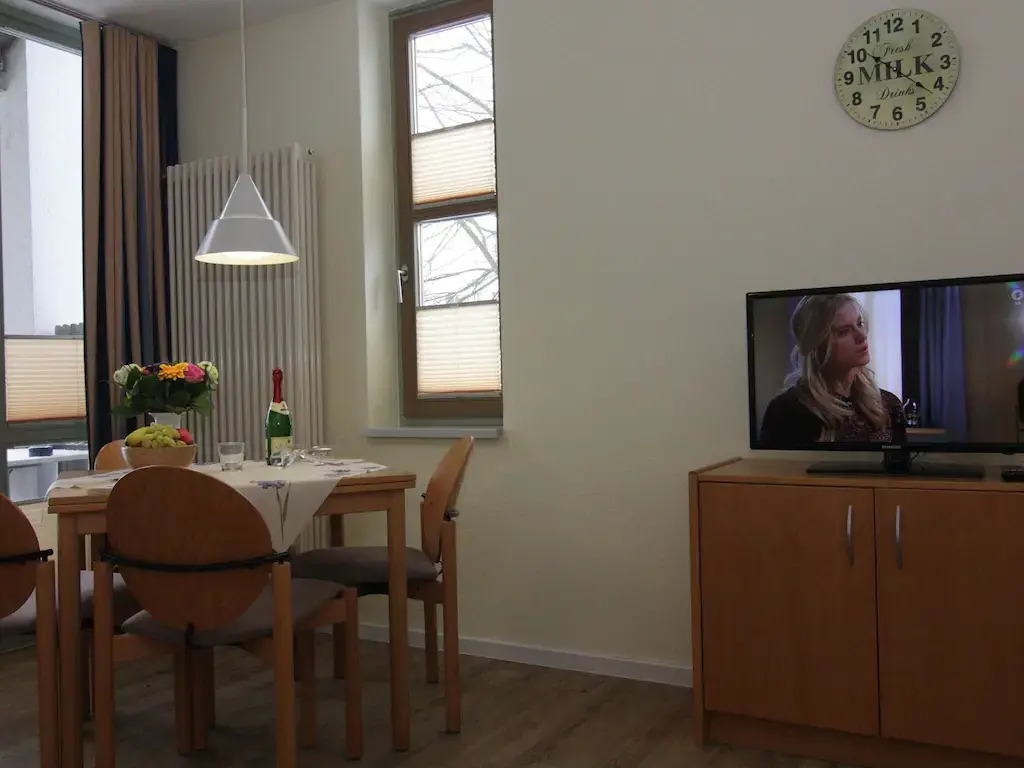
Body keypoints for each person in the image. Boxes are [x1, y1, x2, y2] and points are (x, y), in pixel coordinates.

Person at [759, 293, 903, 447]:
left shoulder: (888, 404)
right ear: (818, 345)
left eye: (860, 323)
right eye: (844, 331)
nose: (862, 335)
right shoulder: (786, 411)